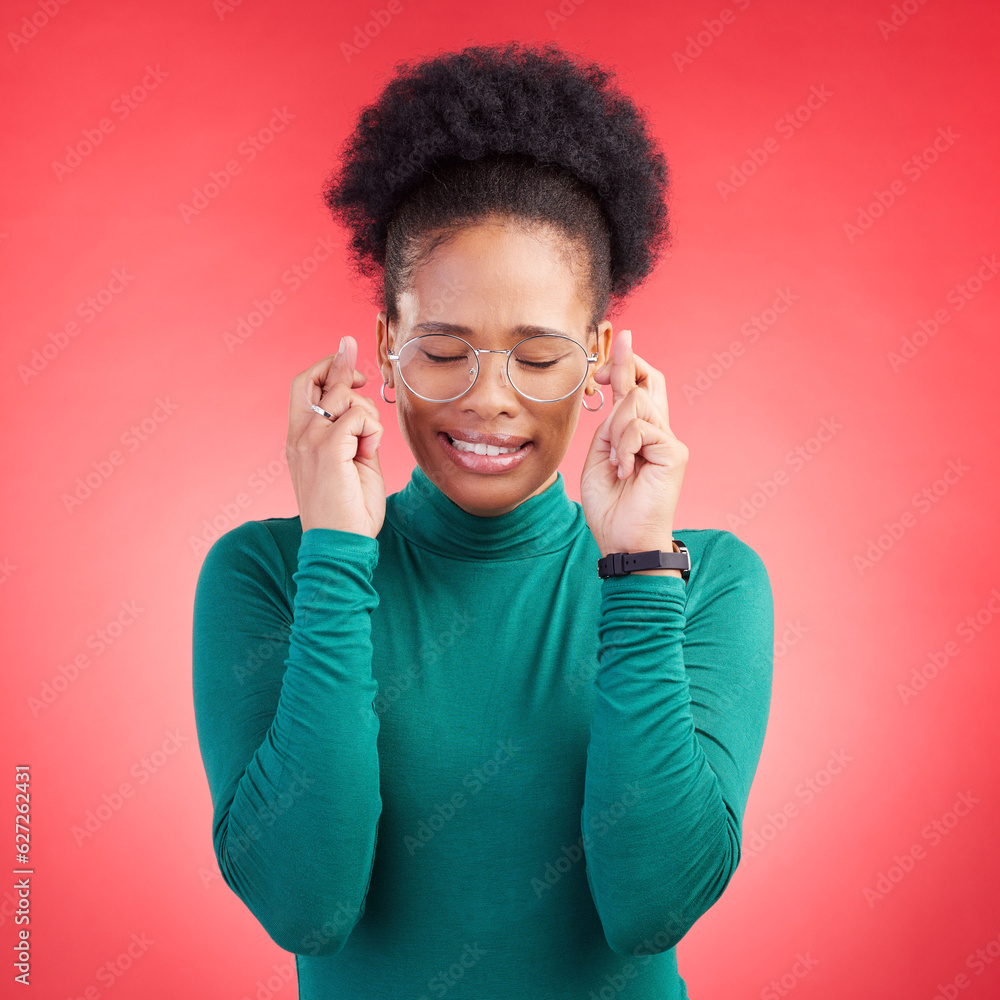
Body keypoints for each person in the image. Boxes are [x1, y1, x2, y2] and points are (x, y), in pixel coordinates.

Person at [193, 40, 773, 1000]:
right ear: (385, 348)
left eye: (538, 357)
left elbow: (650, 906)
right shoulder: (265, 572)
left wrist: (633, 569)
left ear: (598, 358)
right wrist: (338, 550)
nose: (488, 399)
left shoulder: (698, 577)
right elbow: (306, 907)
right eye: (442, 350)